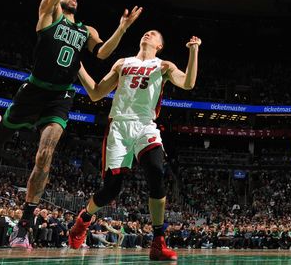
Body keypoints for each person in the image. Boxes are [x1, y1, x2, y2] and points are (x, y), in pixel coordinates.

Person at [0, 0, 142, 248]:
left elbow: (103, 53)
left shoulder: (86, 30)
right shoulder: (48, 13)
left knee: (45, 154)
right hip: (33, 89)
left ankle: (23, 227)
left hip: (60, 96)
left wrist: (122, 28)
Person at [68, 31, 201, 261]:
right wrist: (78, 66)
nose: (148, 33)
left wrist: (193, 51)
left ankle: (158, 241)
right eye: (146, 32)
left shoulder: (164, 66)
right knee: (112, 189)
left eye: (154, 34)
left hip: (145, 126)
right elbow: (96, 93)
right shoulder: (122, 63)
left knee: (156, 174)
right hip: (118, 127)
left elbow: (188, 83)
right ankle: (84, 218)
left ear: (159, 45)